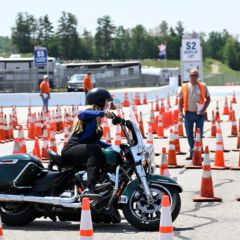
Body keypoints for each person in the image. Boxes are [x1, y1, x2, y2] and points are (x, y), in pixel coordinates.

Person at [61, 88, 113, 194]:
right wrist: (102, 113)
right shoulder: (89, 115)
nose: (108, 104)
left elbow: (94, 141)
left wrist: (112, 147)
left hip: (81, 149)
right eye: (107, 101)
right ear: (100, 101)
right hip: (71, 149)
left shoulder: (95, 118)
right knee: (94, 150)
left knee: (102, 152)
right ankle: (91, 187)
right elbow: (81, 114)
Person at [179, 68, 211, 160]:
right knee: (189, 134)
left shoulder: (202, 86)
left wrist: (204, 109)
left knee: (198, 135)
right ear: (189, 76)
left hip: (199, 115)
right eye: (191, 75)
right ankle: (192, 152)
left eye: (195, 75)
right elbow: (180, 101)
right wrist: (180, 113)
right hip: (188, 114)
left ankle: (198, 153)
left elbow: (208, 99)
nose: (193, 77)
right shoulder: (185, 86)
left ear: (198, 76)